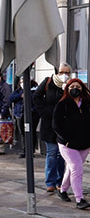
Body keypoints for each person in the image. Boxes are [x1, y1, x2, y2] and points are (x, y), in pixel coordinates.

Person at [53, 78, 90, 209]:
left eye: (78, 86)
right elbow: (56, 124)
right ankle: (79, 199)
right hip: (67, 144)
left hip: (84, 143)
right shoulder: (63, 104)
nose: (75, 88)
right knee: (77, 169)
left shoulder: (87, 103)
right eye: (72, 86)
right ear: (67, 89)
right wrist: (66, 138)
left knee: (72, 168)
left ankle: (63, 190)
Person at [34, 64, 70, 193]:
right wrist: (43, 111)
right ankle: (50, 182)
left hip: (63, 125)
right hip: (49, 124)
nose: (64, 75)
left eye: (67, 72)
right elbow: (36, 96)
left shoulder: (70, 85)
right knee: (52, 153)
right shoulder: (48, 82)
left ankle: (60, 181)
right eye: (61, 72)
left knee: (62, 155)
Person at [10, 76, 39, 158]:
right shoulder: (18, 91)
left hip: (32, 115)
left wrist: (32, 110)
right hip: (20, 114)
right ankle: (25, 150)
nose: (22, 83)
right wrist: (20, 95)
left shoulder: (34, 90)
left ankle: (31, 151)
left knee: (31, 132)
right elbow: (11, 98)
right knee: (23, 133)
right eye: (21, 81)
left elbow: (37, 101)